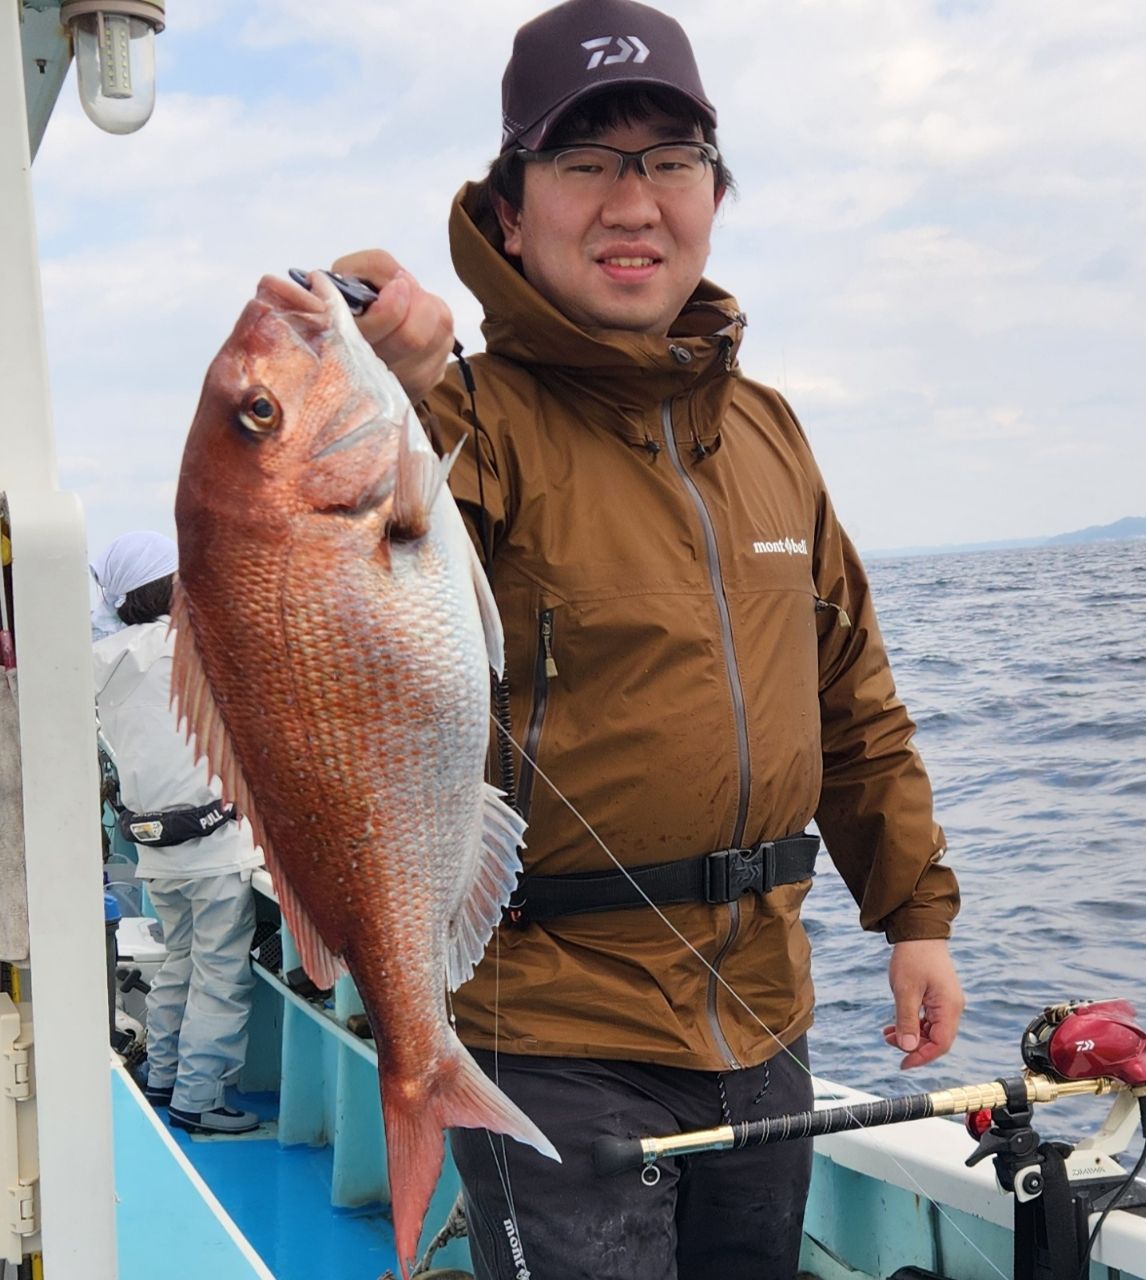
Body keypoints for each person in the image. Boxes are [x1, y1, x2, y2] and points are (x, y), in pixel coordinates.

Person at [335, 1, 964, 1274]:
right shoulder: (461, 423)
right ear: (509, 214)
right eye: (584, 163)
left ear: (714, 196)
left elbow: (849, 694)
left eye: (669, 161)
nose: (633, 203)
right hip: (550, 1030)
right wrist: (382, 374)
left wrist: (914, 911)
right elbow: (342, 568)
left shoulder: (770, 431)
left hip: (761, 1011)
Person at [91, 531, 264, 1136]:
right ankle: (200, 1098)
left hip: (157, 852)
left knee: (177, 962)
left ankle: (162, 1077)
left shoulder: (103, 661)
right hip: (215, 850)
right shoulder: (198, 647)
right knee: (219, 975)